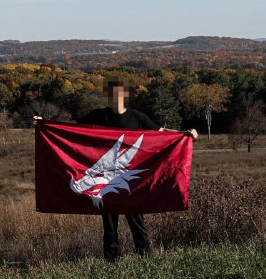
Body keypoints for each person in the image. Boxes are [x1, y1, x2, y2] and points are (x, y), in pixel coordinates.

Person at [75, 77, 198, 261]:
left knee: (136, 220)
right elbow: (69, 127)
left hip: (129, 181)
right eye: (112, 94)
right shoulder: (99, 115)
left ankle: (145, 257)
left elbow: (161, 133)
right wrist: (44, 123)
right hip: (105, 182)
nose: (116, 97)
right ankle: (111, 261)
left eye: (120, 93)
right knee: (109, 224)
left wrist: (185, 134)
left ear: (126, 95)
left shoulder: (137, 117)